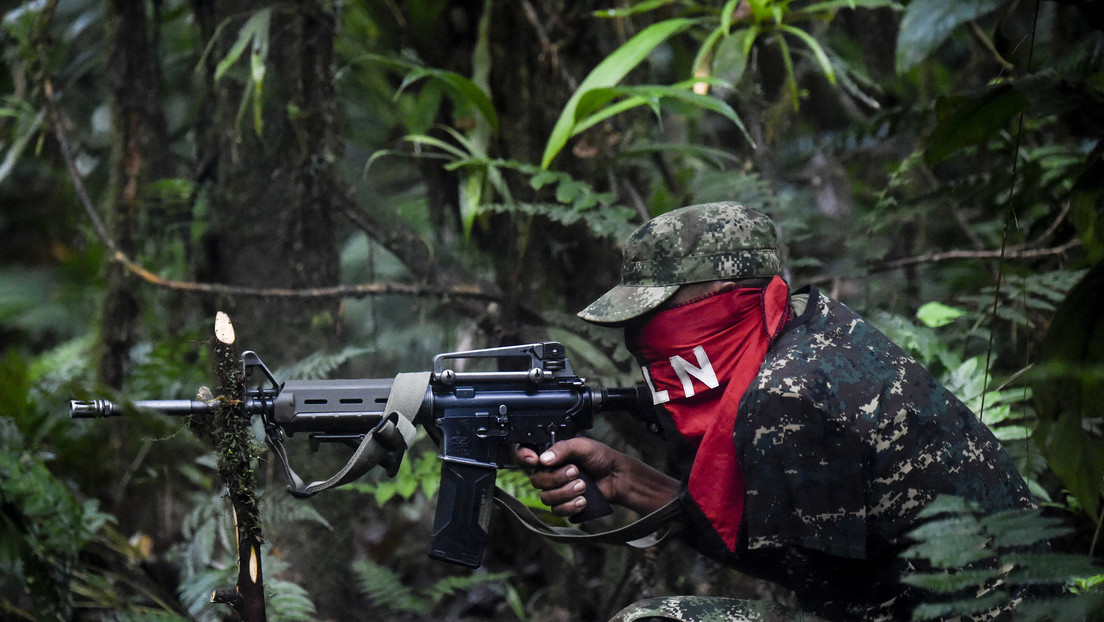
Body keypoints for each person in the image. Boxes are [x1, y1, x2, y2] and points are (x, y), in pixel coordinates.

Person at [517, 202, 1036, 621]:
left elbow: (822, 590)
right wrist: (631, 483)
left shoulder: (785, 396)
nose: (644, 332)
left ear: (723, 296)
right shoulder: (814, 325)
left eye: (658, 310)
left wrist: (648, 494)